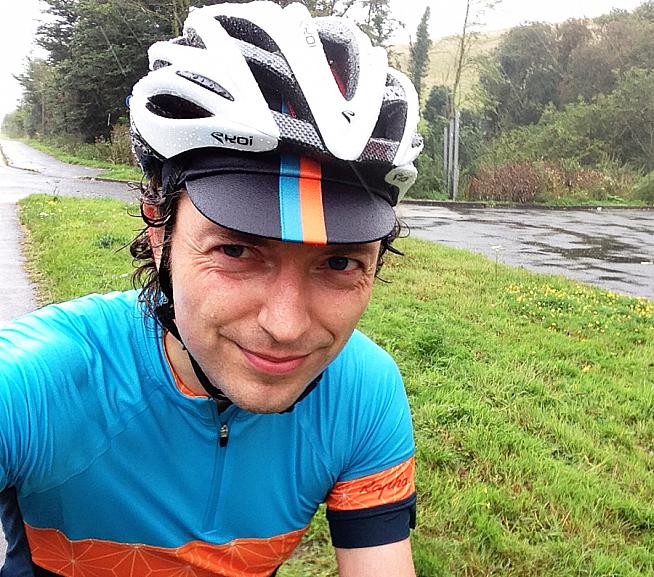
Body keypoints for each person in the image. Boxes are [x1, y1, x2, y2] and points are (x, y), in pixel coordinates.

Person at [0, 2, 423, 576]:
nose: (286, 327)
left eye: (340, 262)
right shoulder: (38, 383)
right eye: (236, 251)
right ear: (159, 230)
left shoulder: (362, 392)